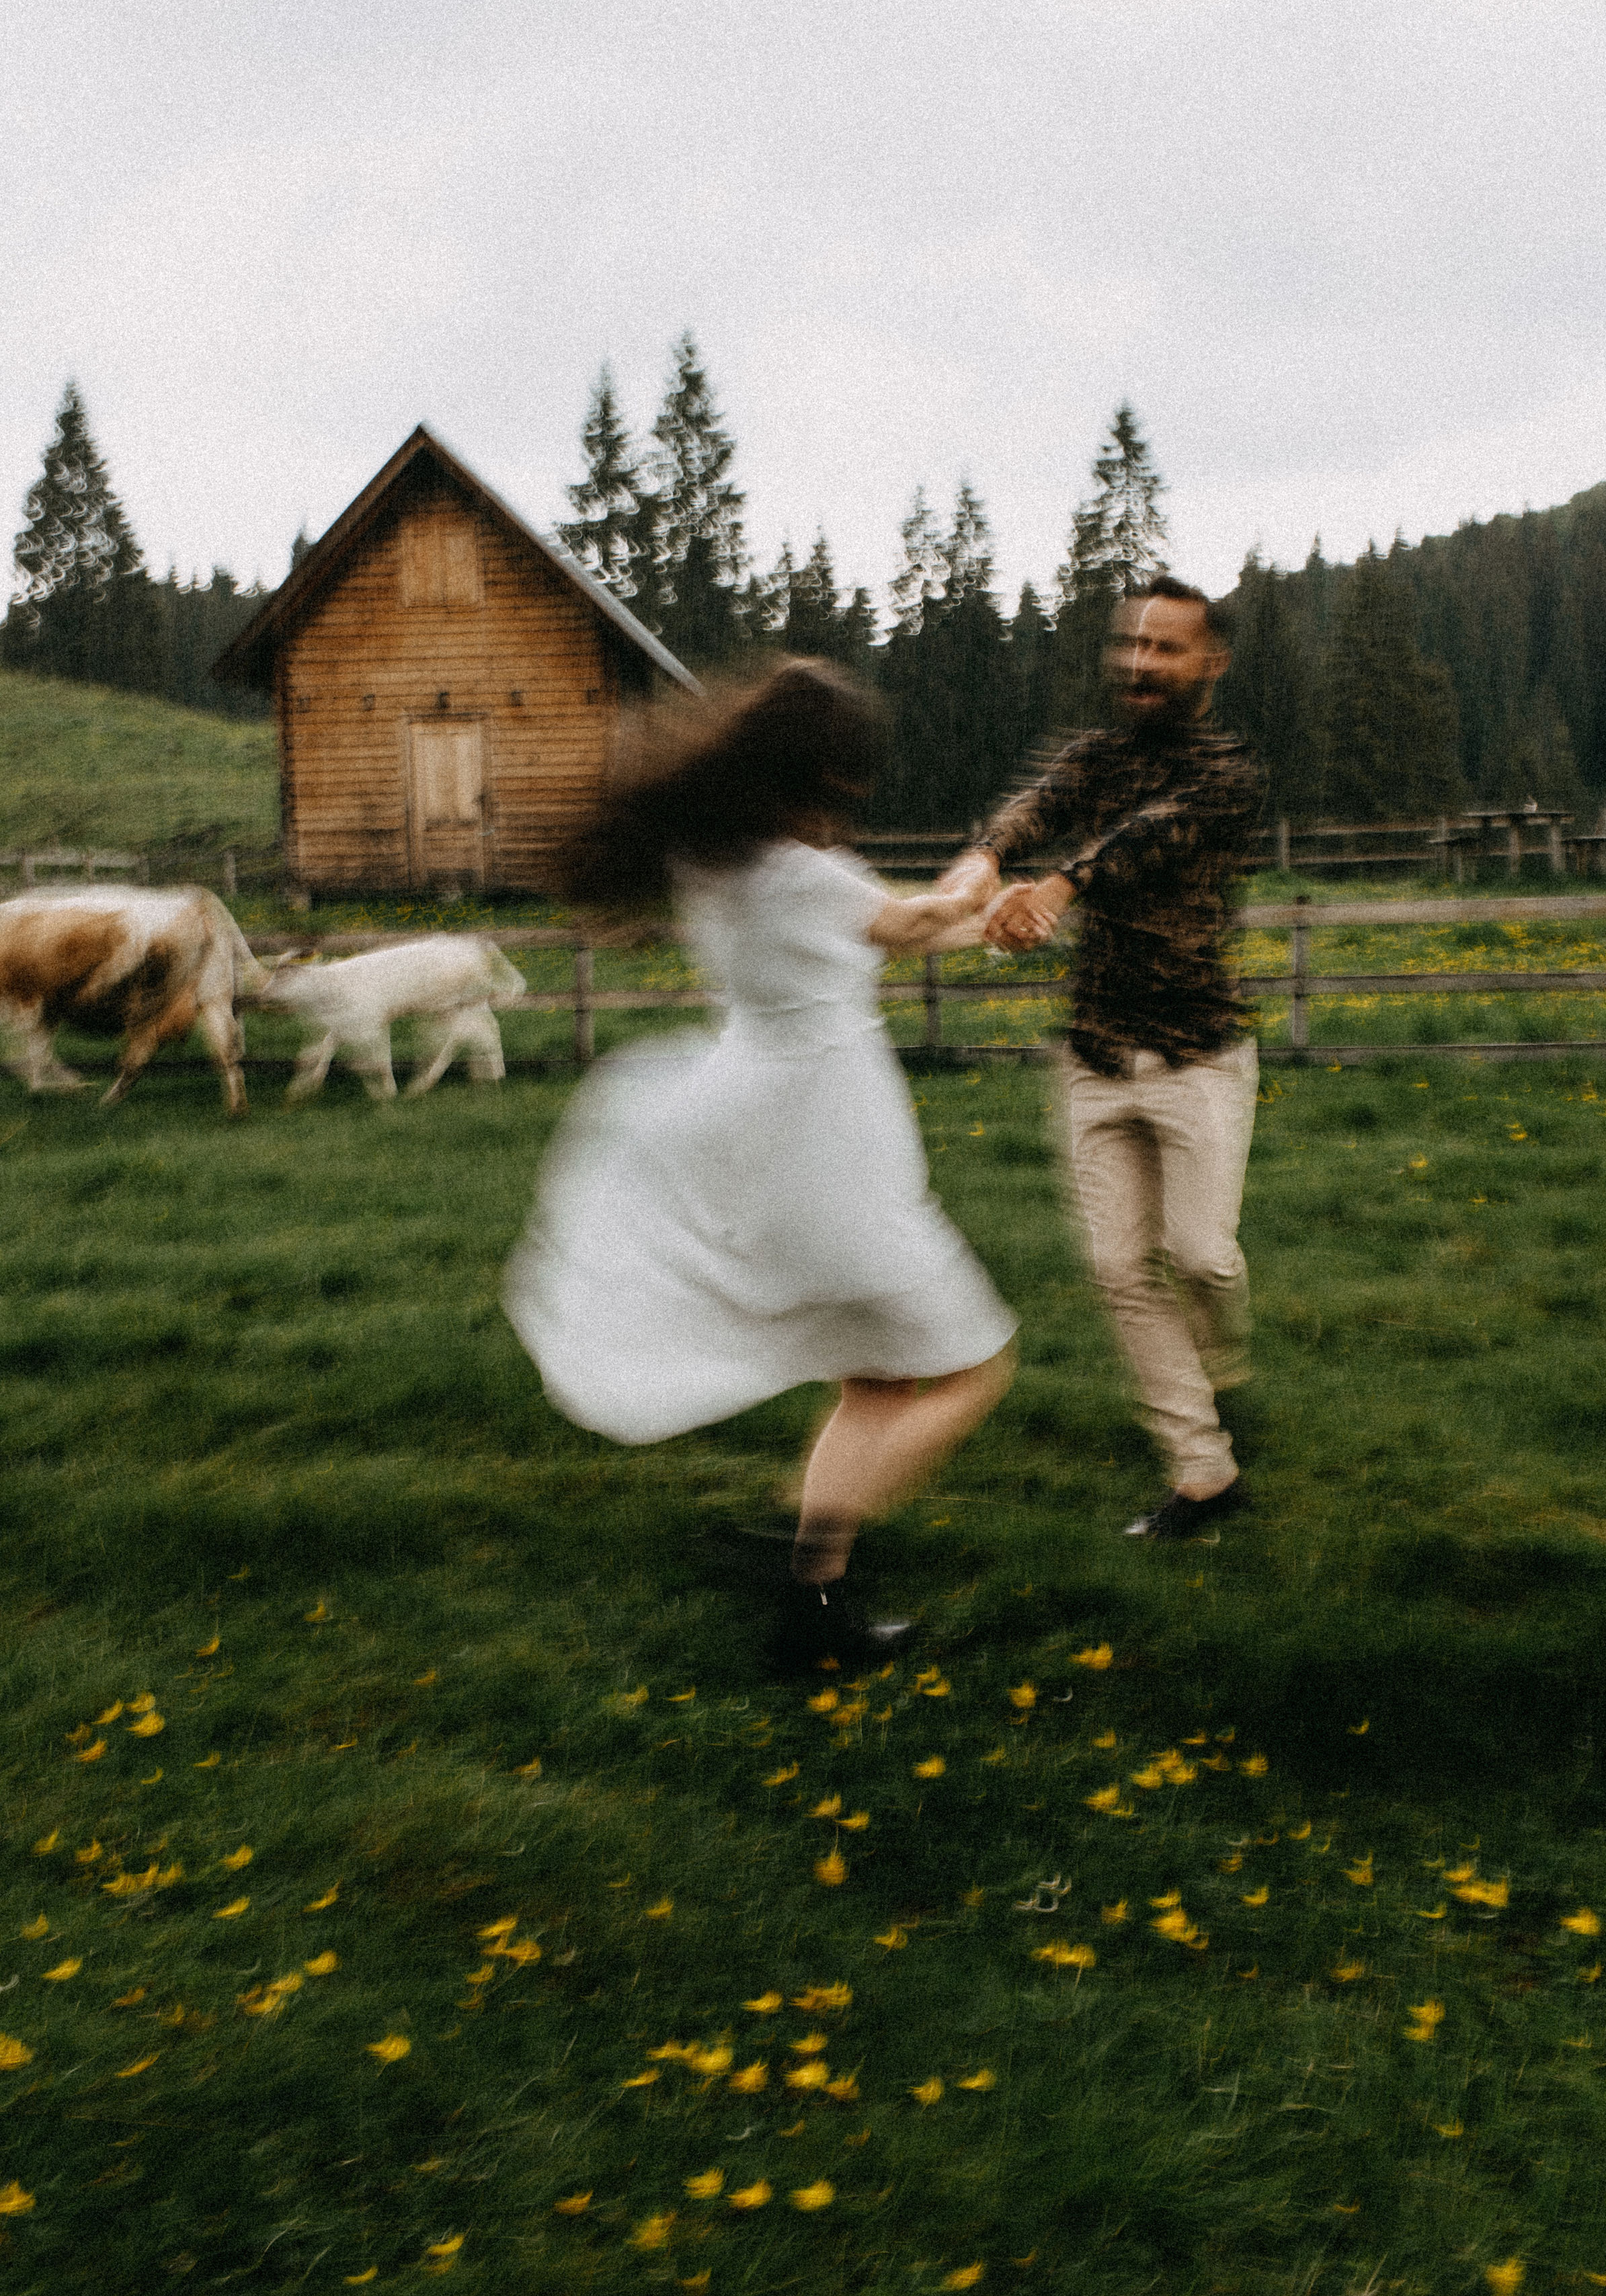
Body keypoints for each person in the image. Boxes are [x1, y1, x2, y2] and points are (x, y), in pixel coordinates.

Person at [504, 660, 1017, 1666]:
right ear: (820, 772)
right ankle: (809, 1550)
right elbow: (916, 926)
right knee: (970, 1365)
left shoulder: (712, 860)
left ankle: (813, 1598)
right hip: (826, 1139)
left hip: (757, 1117)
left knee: (879, 1378)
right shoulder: (801, 875)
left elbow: (886, 938)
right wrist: (980, 873)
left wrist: (966, 908)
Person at [942, 573, 1264, 1540]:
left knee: (1201, 1259)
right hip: (1094, 1058)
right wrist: (987, 863)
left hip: (1197, 1055)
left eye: (1165, 648)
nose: (1140, 662)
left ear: (1210, 663)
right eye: (1130, 643)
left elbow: (1146, 840)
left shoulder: (1226, 772)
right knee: (1121, 1269)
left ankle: (1227, 1368)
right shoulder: (1095, 756)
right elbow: (1041, 803)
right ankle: (1204, 1473)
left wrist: (1060, 887)